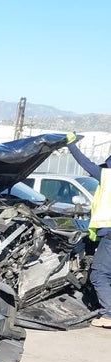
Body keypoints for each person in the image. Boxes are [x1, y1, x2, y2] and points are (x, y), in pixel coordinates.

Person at [65, 132, 111, 328]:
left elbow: (85, 163)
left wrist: (71, 145)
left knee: (99, 274)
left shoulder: (106, 176)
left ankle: (108, 314)